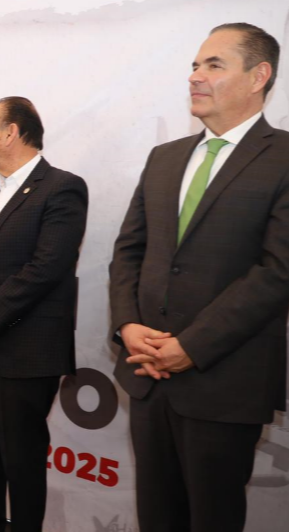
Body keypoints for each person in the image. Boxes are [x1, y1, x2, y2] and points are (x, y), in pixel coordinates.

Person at [109, 23, 287, 532]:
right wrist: (127, 325)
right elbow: (129, 251)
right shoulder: (165, 158)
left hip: (225, 382)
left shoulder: (284, 158)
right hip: (147, 376)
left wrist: (192, 346)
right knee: (157, 517)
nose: (195, 76)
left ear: (259, 76)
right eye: (194, 65)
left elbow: (278, 272)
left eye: (213, 65)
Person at [0, 97, 88, 532]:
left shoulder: (62, 188)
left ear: (11, 133)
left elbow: (47, 267)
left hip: (27, 352)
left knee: (22, 464)